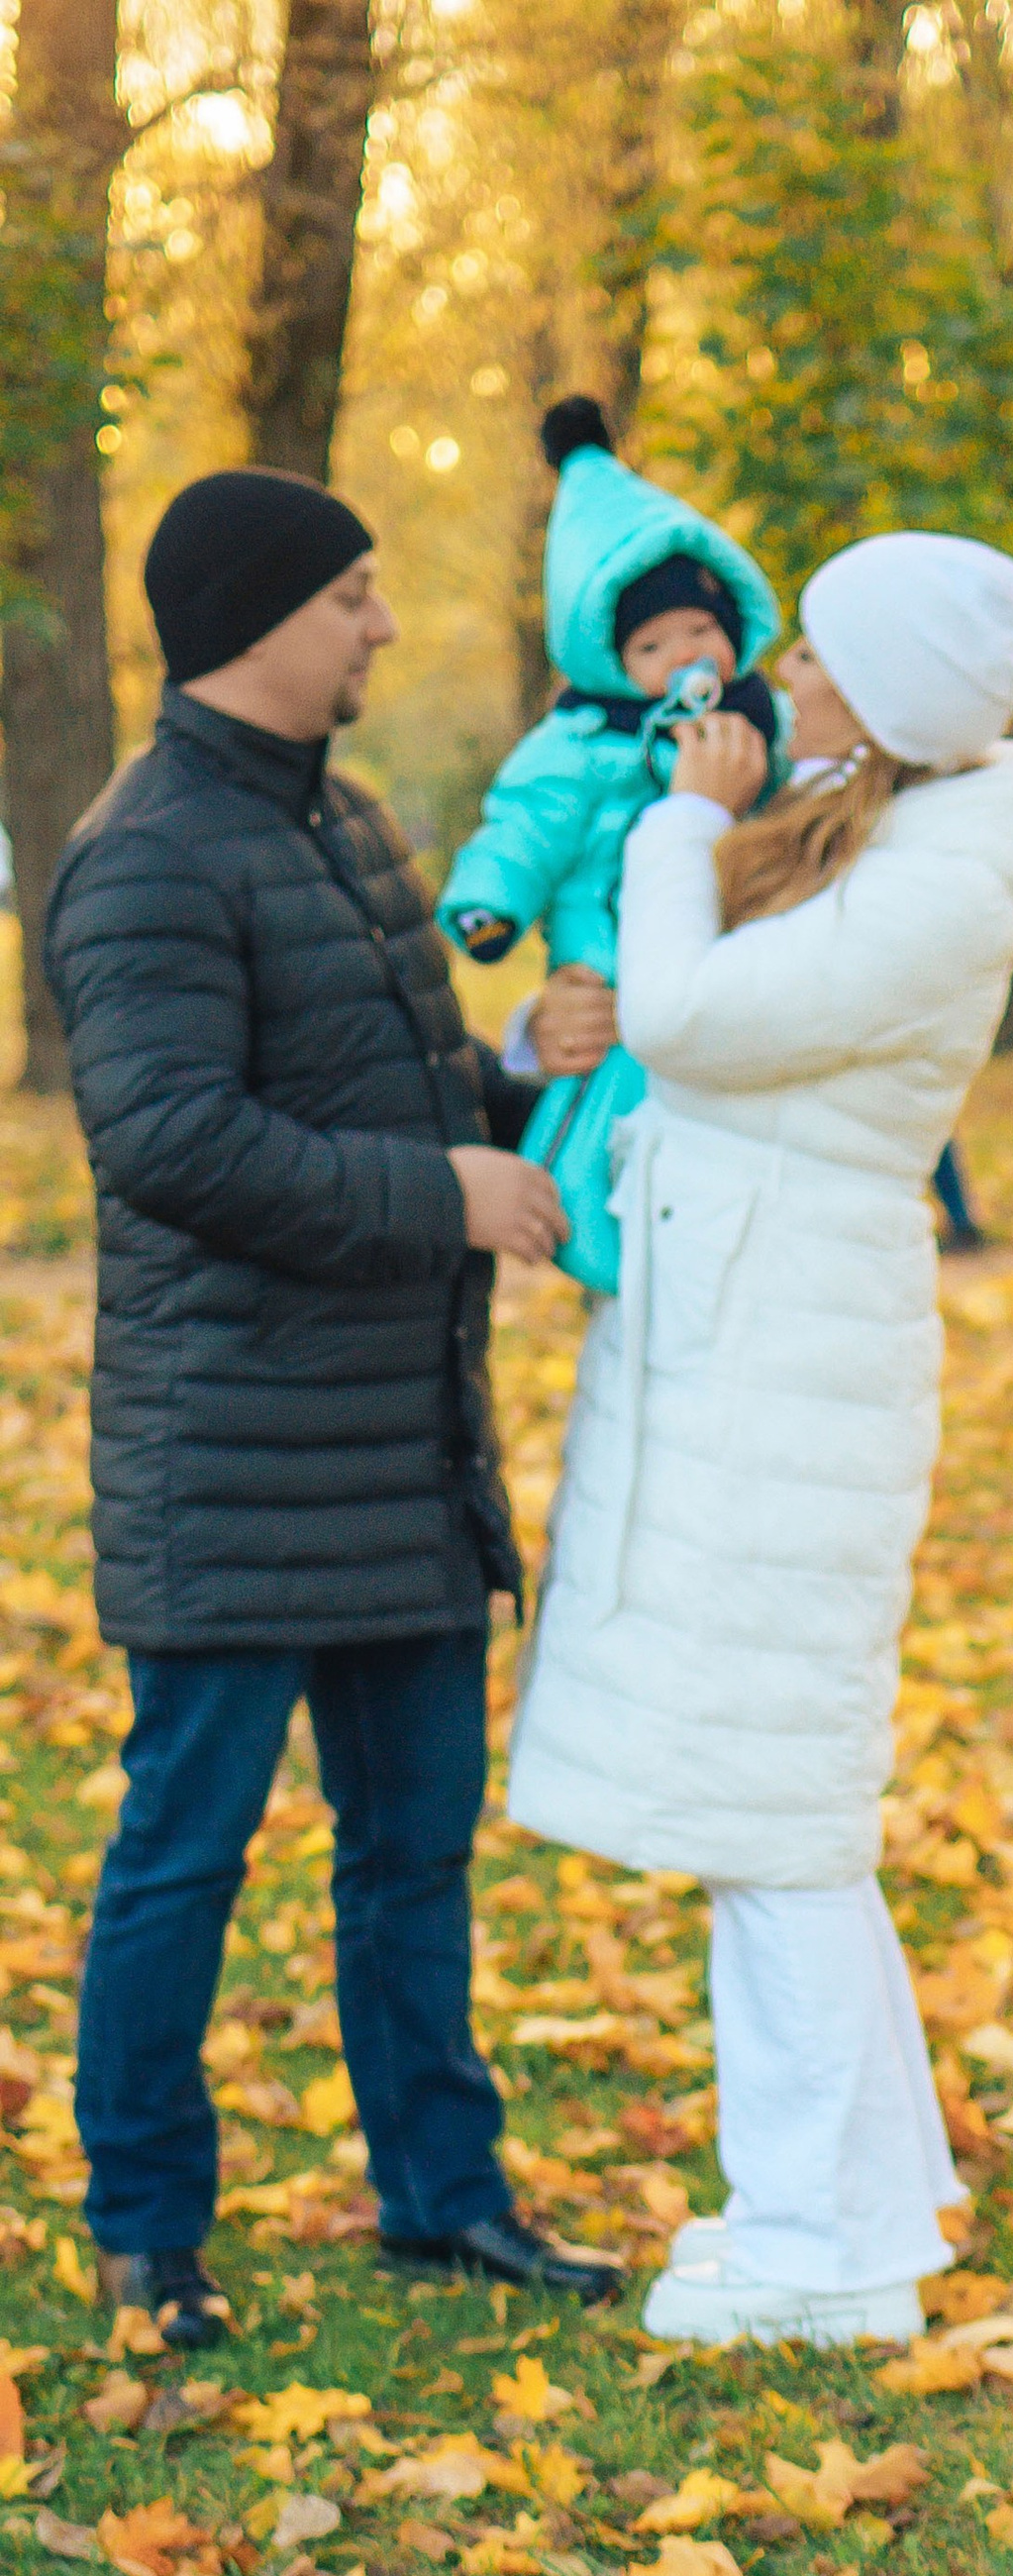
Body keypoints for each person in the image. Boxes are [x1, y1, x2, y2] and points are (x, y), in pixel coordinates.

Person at [44, 468, 627, 2347]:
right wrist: (442, 1194)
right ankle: (146, 2226)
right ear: (256, 618)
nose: (381, 624)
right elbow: (169, 1139)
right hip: (231, 1456)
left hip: (399, 1445)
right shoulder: (143, 854)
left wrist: (519, 1077)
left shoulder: (350, 822)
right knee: (185, 1854)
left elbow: (400, 1085)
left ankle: (444, 2199)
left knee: (413, 1855)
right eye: (353, 594)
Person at [503, 532, 1013, 2346]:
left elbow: (684, 1018)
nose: (786, 675)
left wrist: (683, 822)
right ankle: (870, 2196)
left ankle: (823, 2249)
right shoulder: (891, 827)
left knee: (776, 1810)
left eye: (822, 655)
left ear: (889, 700)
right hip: (754, 1331)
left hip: (791, 1352)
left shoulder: (941, 881)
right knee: (776, 1800)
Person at [437, 401, 783, 1290]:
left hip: (737, 972)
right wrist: (491, 901)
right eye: (652, 643)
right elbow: (525, 822)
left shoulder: (765, 722)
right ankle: (589, 1234)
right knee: (602, 1108)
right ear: (604, 653)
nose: (685, 656)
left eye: (703, 632)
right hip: (609, 956)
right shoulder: (580, 743)